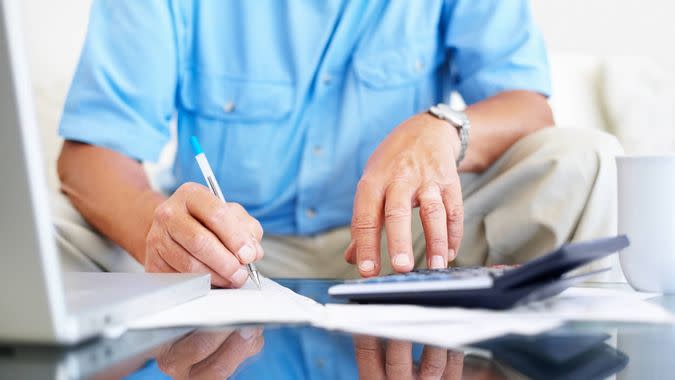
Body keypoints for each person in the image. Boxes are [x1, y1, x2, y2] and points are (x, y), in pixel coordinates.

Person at [55, 0, 623, 286]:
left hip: (416, 243)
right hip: (235, 259)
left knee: (585, 161)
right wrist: (160, 229)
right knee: (50, 232)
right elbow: (91, 154)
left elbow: (528, 108)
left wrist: (443, 128)